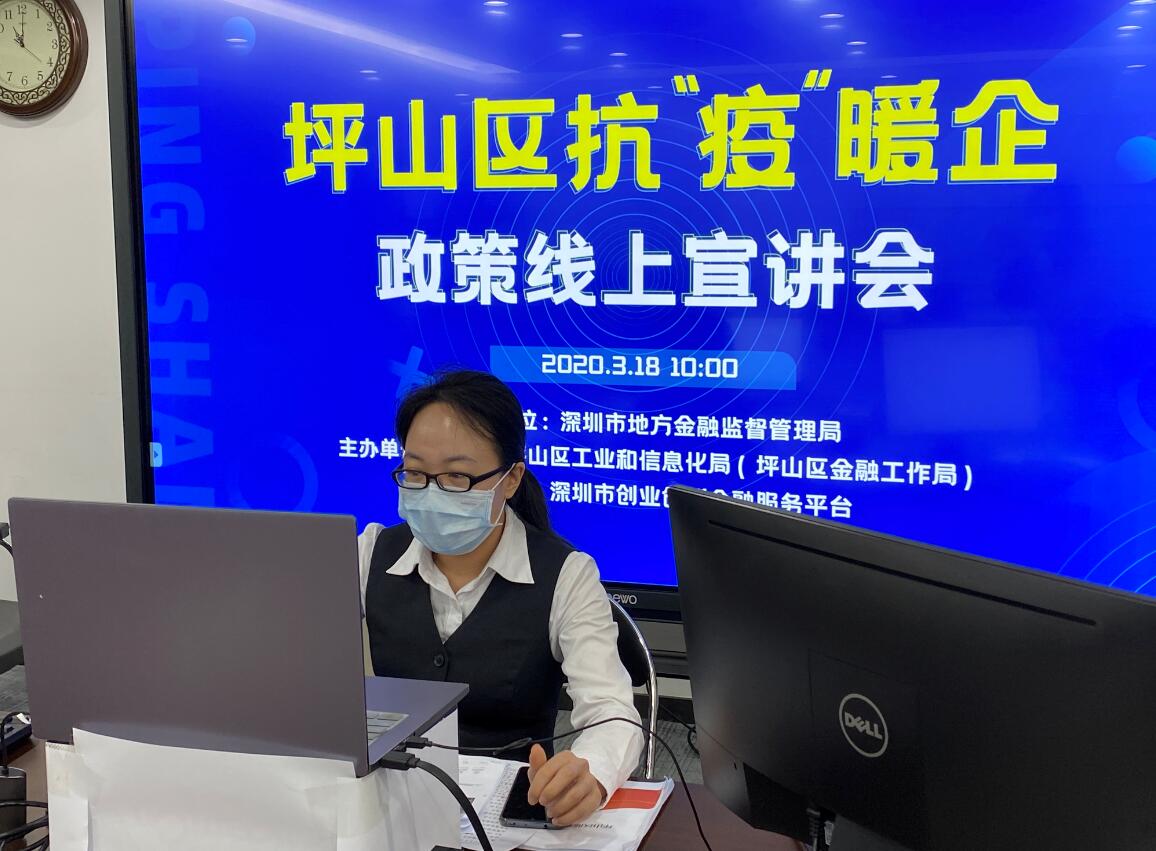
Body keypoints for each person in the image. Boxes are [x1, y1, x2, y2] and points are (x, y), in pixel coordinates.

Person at [359, 369, 644, 827]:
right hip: (389, 808)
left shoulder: (566, 575)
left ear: (510, 479)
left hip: (512, 814)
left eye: (457, 476)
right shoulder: (371, 551)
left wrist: (590, 773)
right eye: (414, 473)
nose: (431, 493)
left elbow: (612, 711)